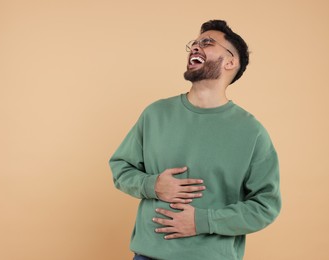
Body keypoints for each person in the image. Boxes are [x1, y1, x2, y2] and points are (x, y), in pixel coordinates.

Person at [109, 19, 281, 260]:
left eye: (207, 42)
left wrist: (203, 221)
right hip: (148, 255)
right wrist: (153, 185)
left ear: (231, 62)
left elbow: (266, 206)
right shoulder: (156, 114)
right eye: (194, 43)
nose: (195, 47)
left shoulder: (251, 132)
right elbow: (120, 167)